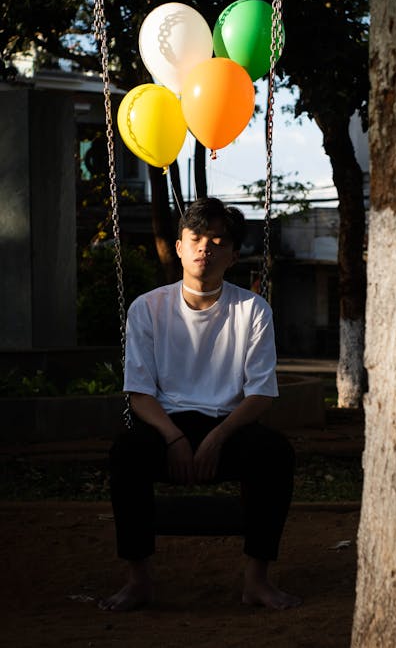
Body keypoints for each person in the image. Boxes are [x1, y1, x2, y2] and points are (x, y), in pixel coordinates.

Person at [99, 197, 301, 612]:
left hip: (230, 426)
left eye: (216, 240)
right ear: (179, 247)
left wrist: (217, 438)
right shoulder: (148, 308)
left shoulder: (252, 309)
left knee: (275, 454)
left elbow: (260, 392)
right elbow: (139, 392)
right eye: (195, 238)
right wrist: (173, 438)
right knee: (126, 454)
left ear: (233, 253)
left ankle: (256, 581)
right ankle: (138, 581)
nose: (204, 248)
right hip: (167, 425)